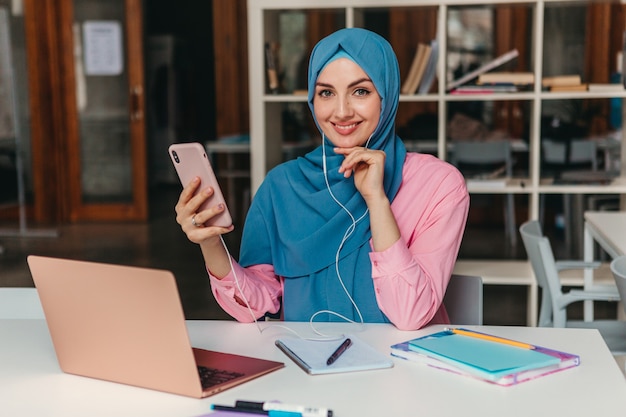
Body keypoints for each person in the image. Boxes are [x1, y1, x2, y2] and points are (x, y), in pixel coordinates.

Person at [175, 28, 469, 331]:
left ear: (387, 95)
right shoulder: (281, 187)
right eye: (326, 93)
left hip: (404, 366)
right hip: (307, 364)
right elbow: (254, 308)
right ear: (312, 101)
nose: (342, 112)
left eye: (361, 91)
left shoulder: (439, 185)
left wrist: (377, 200)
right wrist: (211, 243)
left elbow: (411, 314)